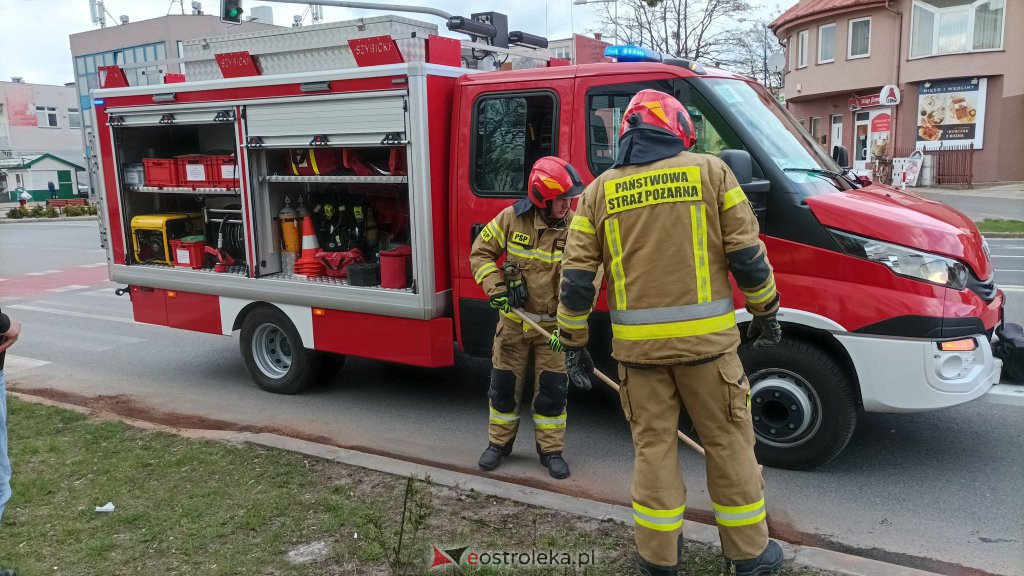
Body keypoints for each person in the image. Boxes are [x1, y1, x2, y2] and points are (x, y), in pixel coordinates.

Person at [555, 90, 784, 576]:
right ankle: (749, 556)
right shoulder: (711, 172)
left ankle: (658, 560)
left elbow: (576, 281)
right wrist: (765, 311)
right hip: (709, 352)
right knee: (727, 444)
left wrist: (573, 344)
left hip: (638, 356)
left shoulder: (598, 191)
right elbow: (747, 254)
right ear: (678, 128)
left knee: (653, 448)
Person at [469, 156, 586, 479]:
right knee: (503, 387)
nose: (568, 204)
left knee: (553, 392)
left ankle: (551, 452)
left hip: (553, 329)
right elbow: (480, 252)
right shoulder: (511, 219)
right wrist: (495, 288)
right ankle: (498, 445)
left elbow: (589, 274)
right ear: (542, 198)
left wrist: (573, 326)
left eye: (570, 198)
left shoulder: (578, 228)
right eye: (562, 199)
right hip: (513, 324)